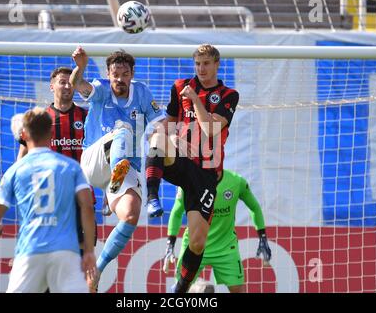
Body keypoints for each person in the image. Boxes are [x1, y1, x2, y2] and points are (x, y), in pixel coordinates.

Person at [144, 44, 239, 293]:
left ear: (216, 65)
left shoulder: (229, 95)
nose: (201, 69)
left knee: (197, 242)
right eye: (197, 64)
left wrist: (195, 99)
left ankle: (181, 288)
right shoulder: (179, 86)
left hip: (207, 172)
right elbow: (172, 123)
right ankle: (151, 198)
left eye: (206, 64)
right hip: (183, 160)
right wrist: (162, 132)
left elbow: (210, 130)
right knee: (157, 140)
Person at [69, 46, 164, 291]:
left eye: (124, 74)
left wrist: (164, 139)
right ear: (108, 75)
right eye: (115, 74)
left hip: (125, 165)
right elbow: (77, 84)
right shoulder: (100, 89)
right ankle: (113, 180)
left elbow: (160, 122)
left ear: (132, 74)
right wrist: (80, 67)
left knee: (131, 214)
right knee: (123, 130)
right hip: (95, 160)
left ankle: (97, 270)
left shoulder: (141, 93)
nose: (119, 79)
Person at [0, 107, 97, 293]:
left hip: (29, 253)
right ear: (51, 133)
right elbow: (86, 207)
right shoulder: (71, 167)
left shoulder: (15, 171)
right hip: (65, 254)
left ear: (24, 134)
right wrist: (89, 251)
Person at [12, 67, 97, 265]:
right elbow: (23, 156)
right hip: (49, 201)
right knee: (50, 261)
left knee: (85, 261)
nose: (67, 86)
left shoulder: (88, 117)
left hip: (82, 199)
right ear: (52, 86)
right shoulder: (40, 119)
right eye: (62, 82)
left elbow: (101, 157)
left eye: (70, 82)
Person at [163, 169, 272, 293]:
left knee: (239, 290)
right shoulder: (190, 182)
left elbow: (255, 207)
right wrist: (170, 243)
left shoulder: (236, 181)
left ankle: (198, 286)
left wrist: (262, 236)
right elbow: (177, 213)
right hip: (194, 246)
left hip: (225, 248)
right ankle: (197, 287)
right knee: (181, 289)